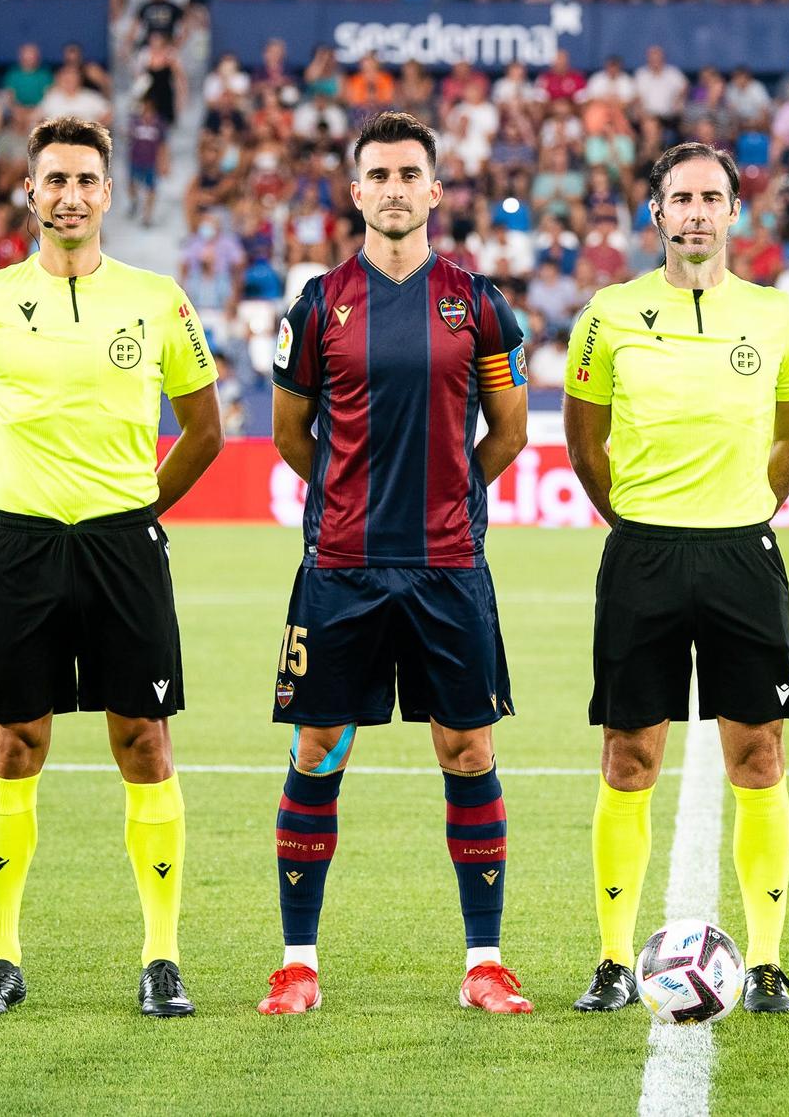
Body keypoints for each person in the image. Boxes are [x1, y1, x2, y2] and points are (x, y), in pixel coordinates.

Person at [0, 116, 224, 1018]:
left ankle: (161, 957)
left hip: (124, 542)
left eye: (86, 180)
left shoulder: (158, 298)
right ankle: (1, 956)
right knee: (16, 742)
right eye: (54, 180)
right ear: (30, 191)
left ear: (107, 192)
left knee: (144, 739)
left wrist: (138, 513)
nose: (70, 195)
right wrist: (3, 506)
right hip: (21, 545)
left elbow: (204, 430)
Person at [258, 111, 533, 1016]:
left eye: (410, 173)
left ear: (435, 190)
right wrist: (349, 497)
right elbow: (293, 435)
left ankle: (483, 962)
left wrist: (453, 491)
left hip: (450, 565)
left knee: (468, 747)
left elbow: (511, 429)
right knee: (318, 746)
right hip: (340, 567)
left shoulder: (479, 300)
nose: (394, 188)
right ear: (356, 190)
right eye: (378, 174)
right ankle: (298, 963)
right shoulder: (316, 303)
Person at [561, 142, 789, 1015]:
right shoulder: (608, 313)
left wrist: (750, 507)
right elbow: (583, 439)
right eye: (681, 198)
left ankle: (771, 962)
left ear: (734, 210)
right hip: (644, 555)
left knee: (759, 754)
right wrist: (633, 519)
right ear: (656, 214)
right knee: (629, 756)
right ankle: (609, 959)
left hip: (743, 553)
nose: (697, 212)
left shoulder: (780, 314)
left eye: (713, 196)